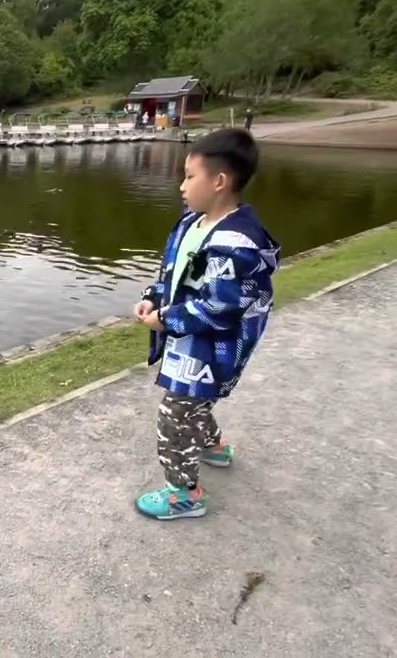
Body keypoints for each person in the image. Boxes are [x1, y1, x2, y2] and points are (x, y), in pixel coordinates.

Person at [132, 127, 281, 520]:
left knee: (175, 413)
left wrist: (166, 319)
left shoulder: (235, 244)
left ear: (219, 182)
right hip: (189, 333)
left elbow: (220, 307)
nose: (182, 186)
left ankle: (184, 494)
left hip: (215, 343)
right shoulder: (192, 223)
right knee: (195, 400)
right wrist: (154, 297)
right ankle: (212, 446)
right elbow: (174, 273)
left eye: (189, 176)